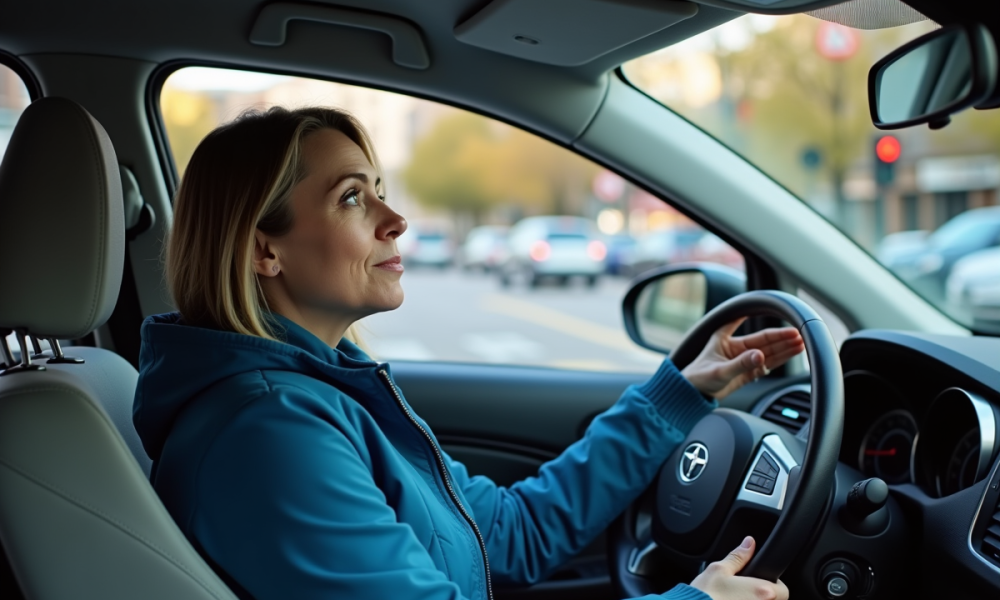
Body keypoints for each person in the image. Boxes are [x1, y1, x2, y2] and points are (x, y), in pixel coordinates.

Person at [133, 107, 803, 600]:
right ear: (263, 250)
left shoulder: (314, 398)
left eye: (380, 190)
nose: (394, 221)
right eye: (351, 197)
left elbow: (510, 533)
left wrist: (681, 396)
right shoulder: (269, 433)